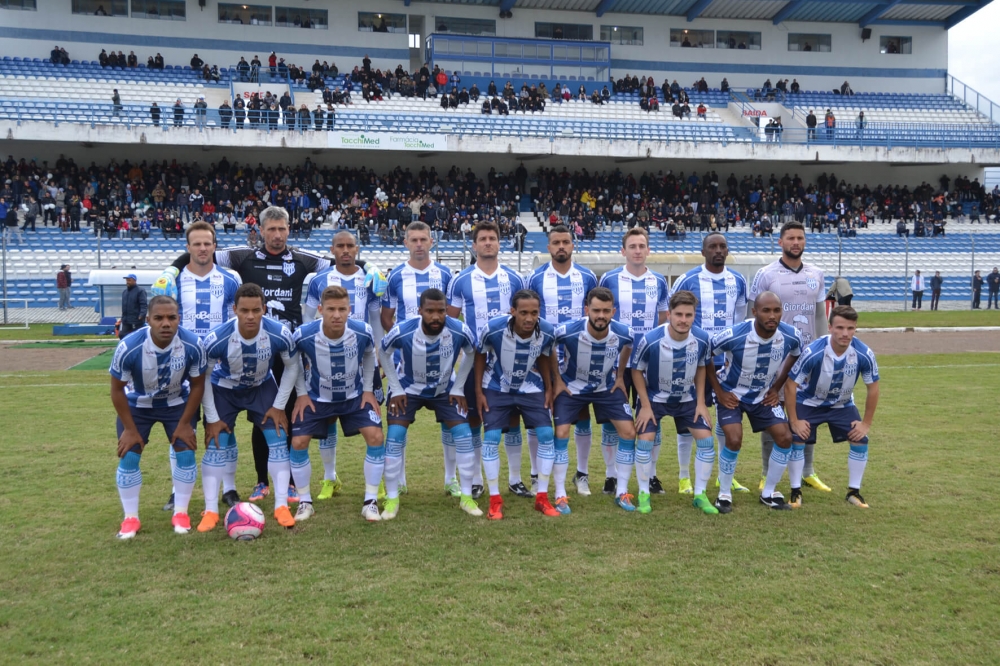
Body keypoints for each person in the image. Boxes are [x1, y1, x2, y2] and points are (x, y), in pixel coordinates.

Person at [156, 206, 348, 503]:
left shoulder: (303, 259)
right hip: (243, 348)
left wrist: (367, 267)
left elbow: (340, 262)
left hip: (284, 349)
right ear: (260, 230)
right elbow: (196, 254)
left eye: (282, 229)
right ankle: (261, 481)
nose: (277, 235)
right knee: (246, 421)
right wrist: (171, 268)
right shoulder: (241, 256)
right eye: (270, 229)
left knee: (282, 415)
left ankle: (292, 483)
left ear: (289, 229)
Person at [199, 284, 298, 529]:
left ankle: (281, 505)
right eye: (244, 310)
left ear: (264, 309)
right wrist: (211, 417)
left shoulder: (279, 333)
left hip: (261, 387)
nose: (251, 316)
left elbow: (292, 367)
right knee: (216, 443)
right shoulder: (218, 338)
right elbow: (203, 376)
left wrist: (279, 406)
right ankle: (210, 511)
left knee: (278, 438)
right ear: (235, 310)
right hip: (224, 388)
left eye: (256, 310)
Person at [109, 295, 206, 539]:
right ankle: (130, 519)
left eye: (171, 318)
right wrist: (130, 430)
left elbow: (197, 386)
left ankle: (181, 513)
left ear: (178, 319)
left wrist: (185, 423)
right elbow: (116, 389)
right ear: (147, 320)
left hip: (176, 404)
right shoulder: (129, 346)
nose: (166, 323)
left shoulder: (193, 344)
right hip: (137, 405)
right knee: (129, 455)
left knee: (185, 452)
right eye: (159, 318)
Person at [447, 222, 529, 499]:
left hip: (510, 360)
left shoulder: (515, 279)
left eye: (492, 238)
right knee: (473, 420)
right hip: (474, 359)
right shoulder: (461, 280)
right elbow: (451, 320)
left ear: (499, 243)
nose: (487, 243)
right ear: (474, 245)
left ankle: (515, 479)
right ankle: (476, 480)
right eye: (482, 239)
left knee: (513, 419)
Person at [380, 288, 478, 519]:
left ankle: (465, 496)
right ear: (420, 310)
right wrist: (395, 388)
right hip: (408, 390)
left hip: (445, 390)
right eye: (431, 311)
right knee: (394, 436)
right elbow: (383, 353)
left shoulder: (459, 329)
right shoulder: (402, 330)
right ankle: (392, 498)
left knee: (463, 434)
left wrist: (458, 387)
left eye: (441, 311)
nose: (436, 317)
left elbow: (471, 353)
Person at [302, 230, 385, 499]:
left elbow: (375, 320)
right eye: (341, 246)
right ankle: (330, 477)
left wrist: (380, 351)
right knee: (327, 418)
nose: (346, 250)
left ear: (358, 249)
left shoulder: (369, 279)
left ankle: (377, 482)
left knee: (370, 418)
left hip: (362, 356)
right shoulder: (318, 280)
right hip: (326, 354)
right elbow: (307, 320)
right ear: (332, 249)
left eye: (350, 246)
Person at [291, 285, 385, 522]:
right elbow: (294, 364)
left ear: (349, 310)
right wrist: (301, 394)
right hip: (316, 399)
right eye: (331, 309)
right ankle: (305, 502)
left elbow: (369, 355)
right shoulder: (303, 334)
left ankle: (370, 501)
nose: (336, 314)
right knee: (299, 441)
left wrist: (367, 390)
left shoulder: (362, 331)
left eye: (342, 309)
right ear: (320, 309)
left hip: (353, 398)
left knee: (375, 436)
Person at [749, 221, 829, 493]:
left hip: (807, 357)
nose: (796, 242)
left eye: (800, 238)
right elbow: (753, 312)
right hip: (774, 355)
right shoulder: (765, 274)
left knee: (807, 411)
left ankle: (807, 471)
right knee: (772, 409)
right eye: (791, 238)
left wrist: (823, 347)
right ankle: (765, 473)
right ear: (780, 242)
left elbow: (819, 314)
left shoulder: (816, 273)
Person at [670, 233, 750, 496]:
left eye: (722, 246)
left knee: (726, 416)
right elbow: (676, 317)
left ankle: (724, 476)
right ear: (703, 251)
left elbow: (739, 322)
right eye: (712, 247)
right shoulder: (688, 280)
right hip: (696, 362)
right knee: (690, 418)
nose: (718, 250)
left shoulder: (738, 280)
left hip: (727, 363)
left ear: (727, 251)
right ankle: (683, 477)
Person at [707, 291, 802, 513]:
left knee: (786, 437)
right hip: (732, 396)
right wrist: (719, 392)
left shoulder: (791, 336)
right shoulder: (735, 334)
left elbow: (796, 354)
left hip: (762, 397)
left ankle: (769, 492)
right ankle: (724, 493)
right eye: (766, 310)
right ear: (754, 312)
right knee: (734, 439)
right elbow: (706, 354)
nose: (772, 315)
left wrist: (776, 387)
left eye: (776, 310)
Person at [381, 221, 454, 495]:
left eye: (424, 239)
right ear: (406, 243)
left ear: (432, 242)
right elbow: (387, 317)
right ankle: (399, 481)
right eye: (414, 240)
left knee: (450, 420)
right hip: (405, 364)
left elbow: (453, 316)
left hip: (442, 364)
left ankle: (451, 479)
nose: (419, 244)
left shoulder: (446, 274)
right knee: (400, 422)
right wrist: (408, 343)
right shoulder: (396, 276)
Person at [784, 306, 880, 510]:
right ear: (830, 327)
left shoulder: (864, 353)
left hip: (842, 405)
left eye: (850, 328)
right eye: (840, 327)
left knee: (860, 439)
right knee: (797, 437)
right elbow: (791, 385)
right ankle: (795, 491)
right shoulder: (814, 352)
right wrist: (794, 421)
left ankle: (854, 491)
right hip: (809, 402)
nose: (845, 333)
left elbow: (873, 388)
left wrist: (866, 424)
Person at [549, 287, 635, 514]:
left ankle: (622, 492)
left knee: (628, 432)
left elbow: (628, 346)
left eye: (606, 311)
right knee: (561, 433)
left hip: (606, 388)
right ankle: (560, 494)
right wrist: (557, 379)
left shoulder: (624, 332)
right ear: (587, 309)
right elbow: (549, 346)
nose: (601, 316)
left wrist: (619, 375)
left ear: (613, 311)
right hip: (572, 389)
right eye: (596, 310)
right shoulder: (567, 331)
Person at [630, 290, 716, 515]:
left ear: (694, 316)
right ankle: (643, 493)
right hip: (655, 400)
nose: (683, 320)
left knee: (707, 442)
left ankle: (699, 495)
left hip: (687, 400)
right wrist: (646, 406)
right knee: (645, 441)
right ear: (669, 314)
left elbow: (700, 367)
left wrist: (700, 402)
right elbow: (636, 371)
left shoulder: (702, 339)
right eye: (679, 314)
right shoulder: (651, 340)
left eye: (689, 315)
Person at [475, 289, 559, 520]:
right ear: (512, 311)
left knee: (545, 435)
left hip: (530, 387)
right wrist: (478, 392)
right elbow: (480, 354)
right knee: (491, 438)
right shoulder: (493, 328)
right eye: (523, 313)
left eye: (534, 313)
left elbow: (543, 355)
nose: (529, 318)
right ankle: (495, 500)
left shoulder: (547, 331)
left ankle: (542, 498)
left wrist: (549, 387)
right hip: (495, 387)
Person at [597, 227, 669, 496]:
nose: (638, 250)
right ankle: (611, 475)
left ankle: (650, 475)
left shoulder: (659, 281)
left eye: (642, 246)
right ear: (623, 250)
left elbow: (663, 319)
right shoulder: (610, 278)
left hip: (649, 361)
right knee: (612, 418)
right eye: (633, 246)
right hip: (614, 361)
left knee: (652, 417)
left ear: (648, 250)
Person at [527, 225, 598, 495]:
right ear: (548, 247)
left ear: (572, 245)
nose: (561, 246)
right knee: (540, 414)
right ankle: (536, 475)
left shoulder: (588, 277)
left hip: (579, 355)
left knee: (581, 414)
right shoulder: (535, 278)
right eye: (555, 242)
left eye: (565, 242)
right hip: (543, 354)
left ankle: (581, 474)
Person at [120, 274, 148, 338]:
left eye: (129, 280)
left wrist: (141, 315)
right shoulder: (125, 292)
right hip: (126, 320)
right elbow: (124, 306)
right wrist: (122, 318)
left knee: (137, 337)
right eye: (127, 280)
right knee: (122, 335)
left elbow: (143, 304)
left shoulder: (140, 291)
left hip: (136, 320)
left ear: (134, 281)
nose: (127, 282)